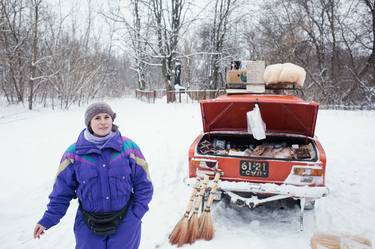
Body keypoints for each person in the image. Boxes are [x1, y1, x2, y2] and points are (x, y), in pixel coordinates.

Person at [33, 102, 153, 249]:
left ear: (112, 119)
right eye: (97, 118)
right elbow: (61, 192)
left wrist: (135, 214)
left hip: (125, 222)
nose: (103, 122)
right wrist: (47, 219)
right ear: (89, 122)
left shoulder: (128, 148)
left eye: (106, 117)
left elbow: (144, 184)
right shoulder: (74, 153)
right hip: (88, 224)